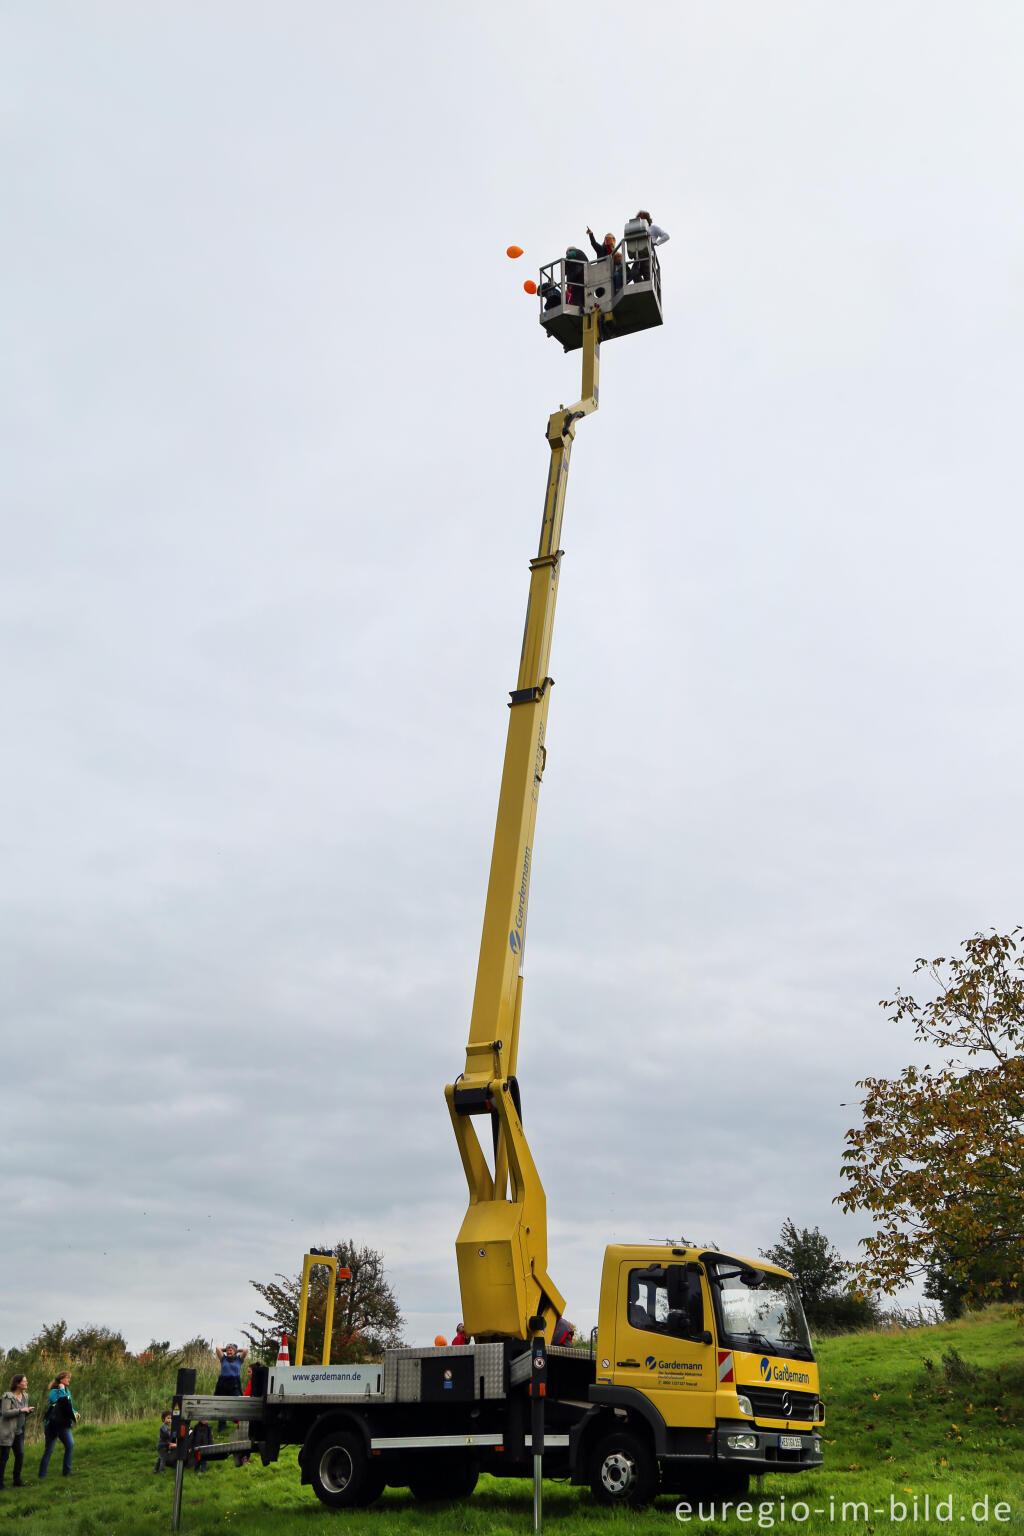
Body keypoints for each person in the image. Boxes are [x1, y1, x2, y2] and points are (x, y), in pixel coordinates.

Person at [38, 1370, 77, 1479]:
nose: (69, 1380)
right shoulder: (54, 1391)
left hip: (63, 1423)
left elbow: (68, 1406)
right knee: (49, 1450)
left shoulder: (66, 1390)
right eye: (67, 1378)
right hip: (53, 1424)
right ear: (61, 1379)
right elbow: (59, 1402)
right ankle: (42, 1475)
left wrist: (75, 1412)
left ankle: (66, 1471)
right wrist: (61, 1390)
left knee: (70, 1445)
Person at [0, 1373, 33, 1488]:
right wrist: (20, 1410)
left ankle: (17, 1481)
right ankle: (0, 1483)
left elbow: (22, 1413)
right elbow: (5, 1413)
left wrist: (27, 1411)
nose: (26, 1383)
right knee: (3, 1458)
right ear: (18, 1383)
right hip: (7, 1432)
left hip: (19, 1432)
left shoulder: (25, 1396)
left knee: (20, 1455)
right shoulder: (8, 1397)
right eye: (24, 1381)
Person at [214, 1342, 247, 1432]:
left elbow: (246, 1350)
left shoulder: (239, 1360)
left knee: (238, 1402)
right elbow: (217, 1348)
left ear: (235, 1352)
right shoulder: (223, 1359)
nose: (229, 1351)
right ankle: (222, 1427)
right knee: (221, 1404)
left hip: (234, 1383)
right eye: (227, 1350)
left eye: (231, 1350)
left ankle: (237, 1422)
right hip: (223, 1383)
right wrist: (227, 1349)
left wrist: (236, 1350)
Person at [629, 210, 669, 284]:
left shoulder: (653, 228)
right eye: (639, 219)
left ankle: (645, 285)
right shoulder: (637, 230)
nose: (640, 221)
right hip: (638, 256)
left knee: (647, 275)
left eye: (642, 219)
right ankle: (641, 286)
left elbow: (666, 236)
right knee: (633, 273)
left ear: (646, 219)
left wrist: (655, 243)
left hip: (648, 255)